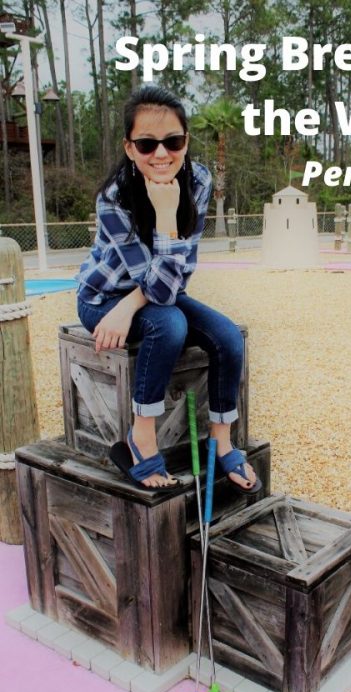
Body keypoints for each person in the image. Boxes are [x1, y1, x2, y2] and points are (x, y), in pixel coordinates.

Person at [76, 84, 261, 494]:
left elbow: (173, 281)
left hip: (155, 294)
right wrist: (161, 214)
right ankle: (140, 439)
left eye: (172, 141)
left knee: (228, 337)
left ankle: (221, 441)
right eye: (147, 144)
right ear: (129, 148)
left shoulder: (197, 180)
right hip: (101, 300)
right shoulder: (113, 199)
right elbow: (158, 291)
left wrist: (133, 305)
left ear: (186, 141)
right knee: (170, 325)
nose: (161, 154)